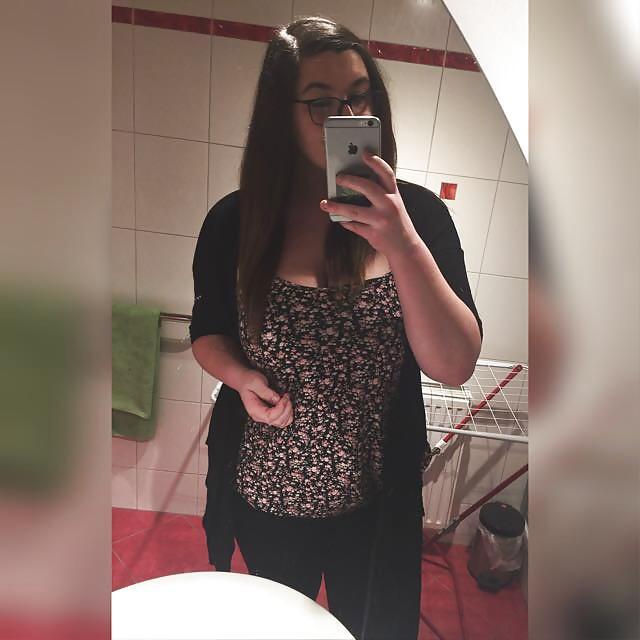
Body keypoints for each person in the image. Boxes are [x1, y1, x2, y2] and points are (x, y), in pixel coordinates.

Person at [189, 16, 483, 640]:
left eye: (359, 96)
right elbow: (207, 331)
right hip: (267, 493)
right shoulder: (237, 222)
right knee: (279, 630)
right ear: (280, 114)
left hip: (375, 503)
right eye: (321, 102)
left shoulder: (418, 217)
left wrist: (402, 242)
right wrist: (240, 377)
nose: (346, 115)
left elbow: (454, 365)